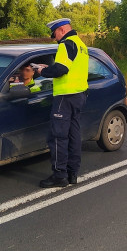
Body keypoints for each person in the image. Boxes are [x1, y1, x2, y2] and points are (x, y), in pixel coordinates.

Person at [35, 18, 89, 187]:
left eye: (55, 34)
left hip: (65, 96)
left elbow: (61, 70)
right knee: (74, 136)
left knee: (58, 137)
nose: (55, 38)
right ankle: (72, 174)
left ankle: (59, 176)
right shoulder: (81, 45)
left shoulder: (66, 45)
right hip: (79, 95)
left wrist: (42, 70)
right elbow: (70, 68)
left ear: (62, 30)